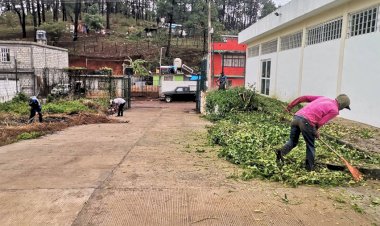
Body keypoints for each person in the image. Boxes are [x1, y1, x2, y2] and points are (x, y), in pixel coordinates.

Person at [275, 94, 351, 171]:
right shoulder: (335, 110)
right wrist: (315, 131)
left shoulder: (323, 98)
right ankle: (309, 168)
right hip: (306, 122)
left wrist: (290, 107)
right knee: (310, 146)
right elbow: (320, 123)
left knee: (293, 141)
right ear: (343, 105)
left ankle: (281, 152)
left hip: (297, 117)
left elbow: (304, 98)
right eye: (344, 107)